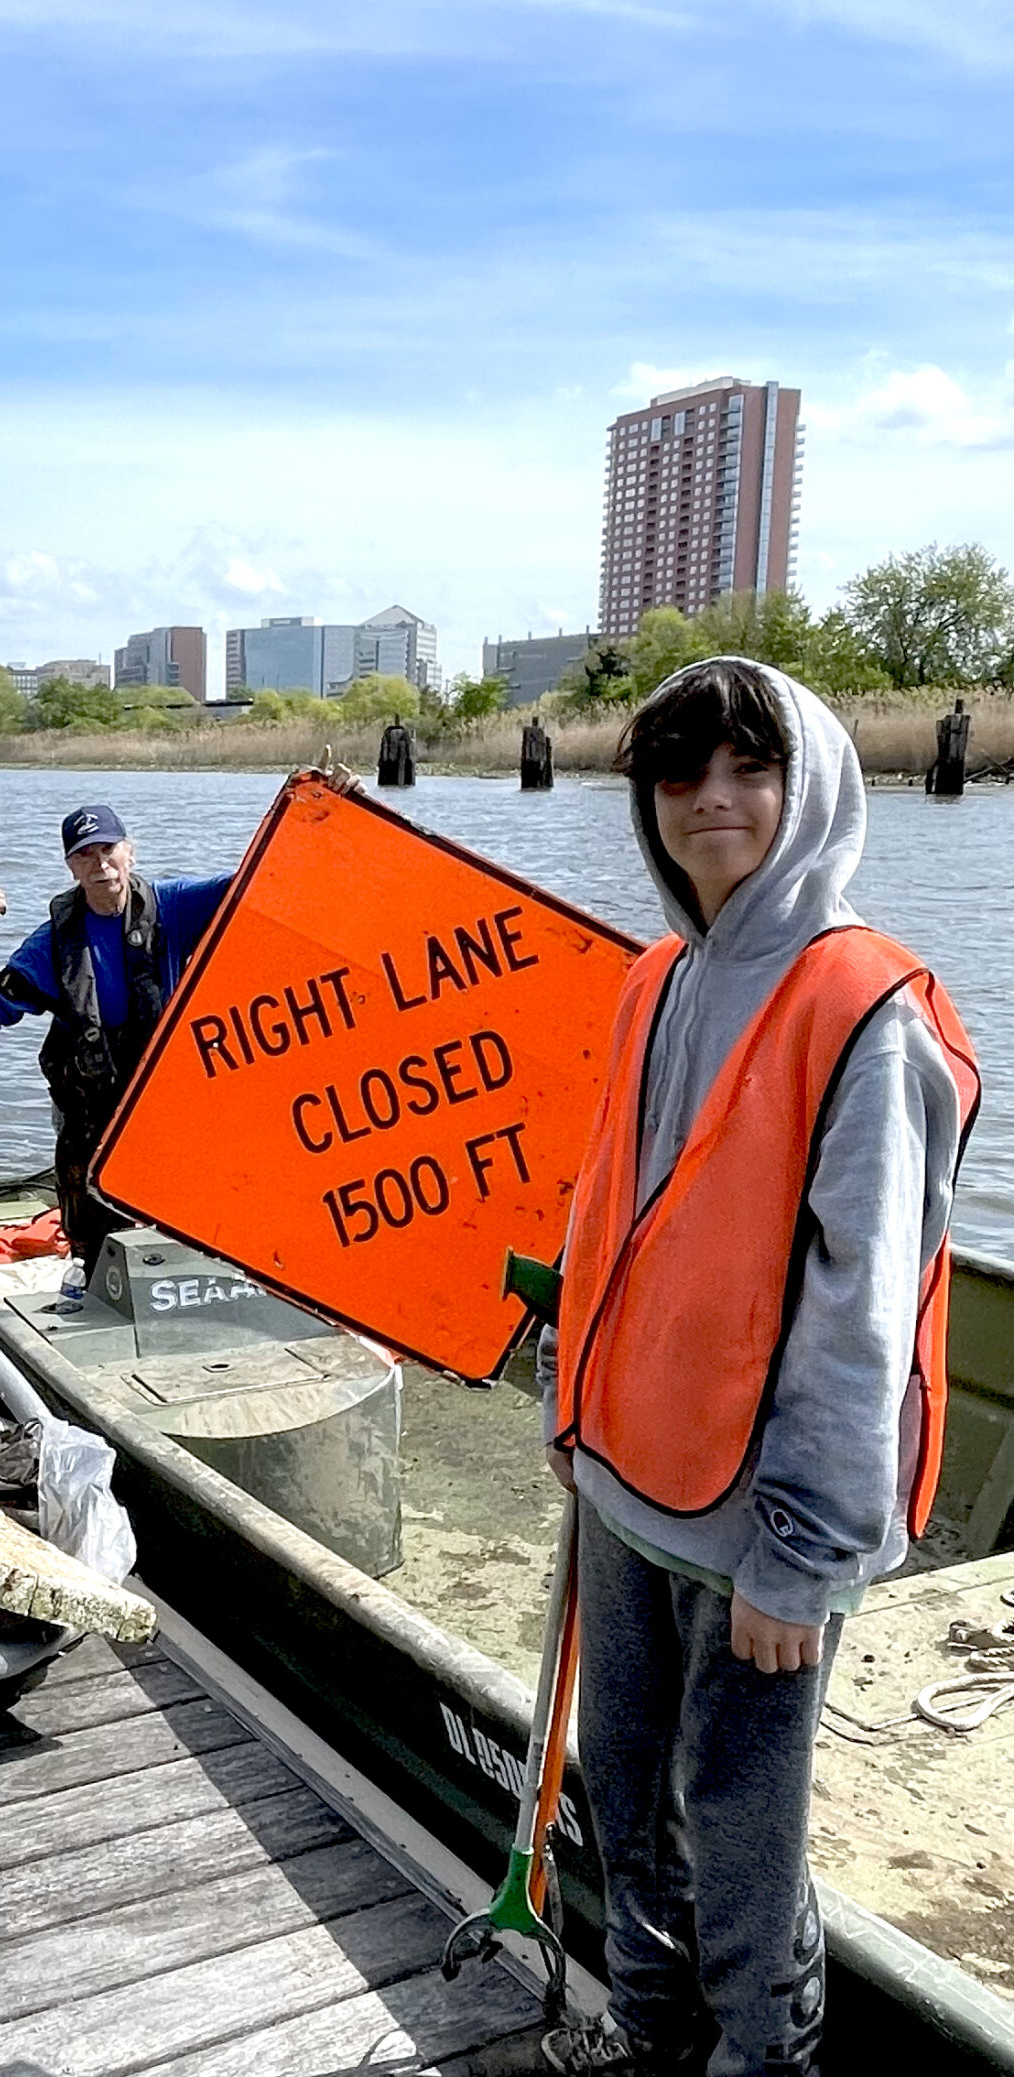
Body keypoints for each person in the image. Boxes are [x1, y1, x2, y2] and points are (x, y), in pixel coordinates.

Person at [483, 660, 977, 2077]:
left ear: (809, 783)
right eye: (681, 770)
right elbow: (612, 1215)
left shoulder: (868, 1009)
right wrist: (570, 1407)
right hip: (627, 1480)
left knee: (744, 1844)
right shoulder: (660, 976)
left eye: (748, 769)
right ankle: (649, 2042)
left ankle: (762, 2062)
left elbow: (860, 1310)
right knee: (627, 1803)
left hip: (761, 1533)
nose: (712, 799)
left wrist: (801, 1555)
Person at [0, 805, 233, 1282]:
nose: (100, 863)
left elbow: (268, 876)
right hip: (90, 1121)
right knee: (97, 1250)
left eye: (108, 849)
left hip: (161, 1109)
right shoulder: (53, 944)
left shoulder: (175, 906)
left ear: (129, 851)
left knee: (188, 1230)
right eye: (85, 855)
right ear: (71, 866)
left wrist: (328, 807)